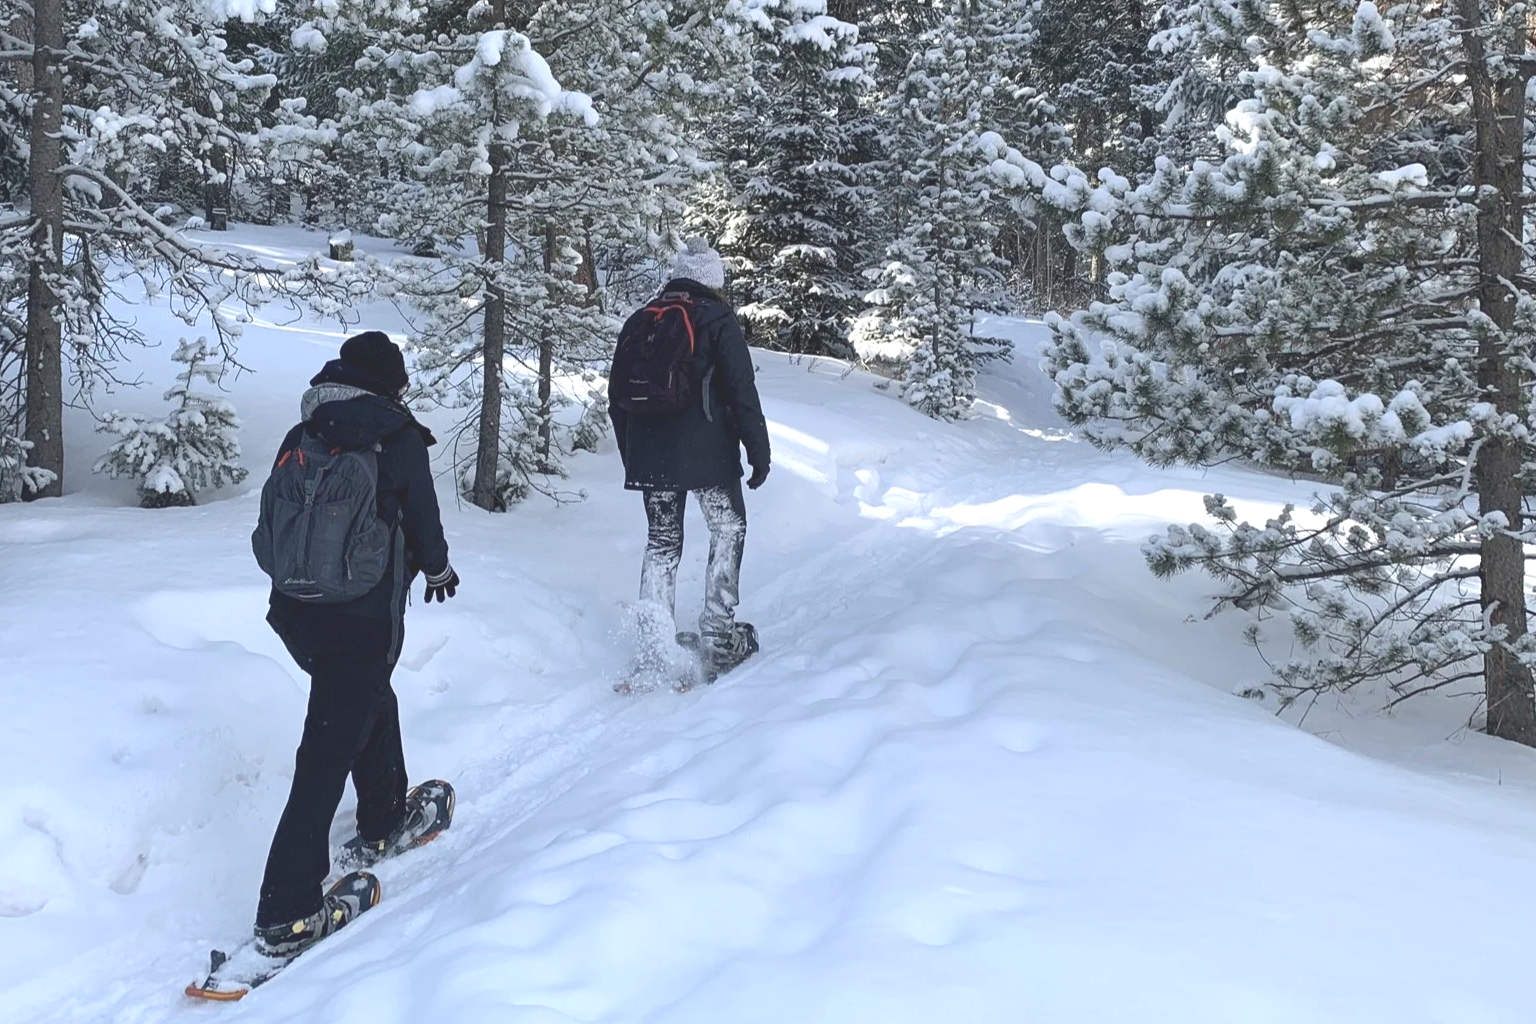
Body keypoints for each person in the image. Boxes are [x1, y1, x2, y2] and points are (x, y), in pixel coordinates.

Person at [252, 331, 459, 957]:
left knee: (364, 698)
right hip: (361, 617)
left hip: (294, 611)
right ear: (389, 381)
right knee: (324, 753)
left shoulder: (304, 430)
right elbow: (422, 517)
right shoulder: (394, 434)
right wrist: (439, 569)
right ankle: (286, 914)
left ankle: (383, 819)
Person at [608, 239, 771, 673]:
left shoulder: (640, 320)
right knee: (728, 528)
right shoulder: (718, 319)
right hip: (709, 459)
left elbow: (615, 398)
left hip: (650, 458)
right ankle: (718, 635)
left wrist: (633, 457)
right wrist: (759, 452)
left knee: (661, 544)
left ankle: (654, 647)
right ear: (713, 280)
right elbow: (741, 391)